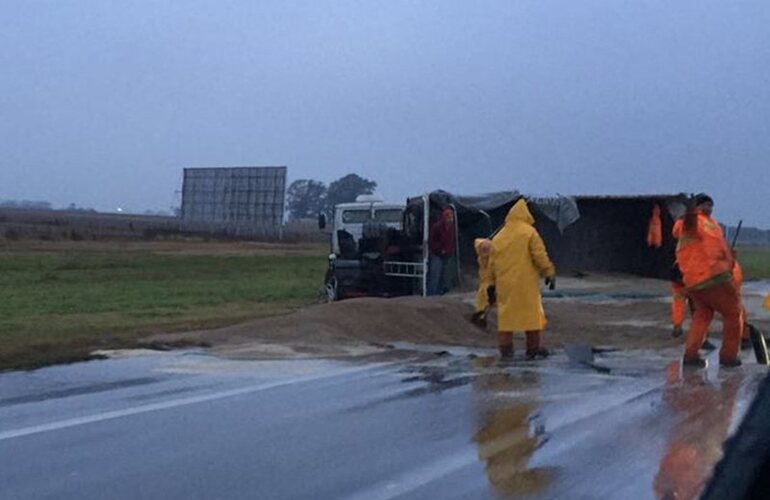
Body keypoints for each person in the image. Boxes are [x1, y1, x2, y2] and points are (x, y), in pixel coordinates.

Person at [674, 193, 742, 368]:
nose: (709, 208)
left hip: (695, 282)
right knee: (733, 313)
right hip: (713, 277)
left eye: (710, 205)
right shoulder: (693, 223)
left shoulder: (711, 225)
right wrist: (690, 210)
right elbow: (690, 224)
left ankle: (691, 355)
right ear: (697, 206)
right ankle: (728, 356)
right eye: (705, 204)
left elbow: (718, 248)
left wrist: (730, 259)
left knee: (702, 315)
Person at [486, 199, 555, 360]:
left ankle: (506, 351)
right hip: (526, 285)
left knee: (506, 320)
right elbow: (539, 255)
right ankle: (533, 349)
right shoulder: (529, 232)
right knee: (531, 318)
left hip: (505, 285)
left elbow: (491, 264)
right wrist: (549, 272)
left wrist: (490, 285)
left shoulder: (499, 237)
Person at [427, 208, 456, 296]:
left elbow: (451, 240)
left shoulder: (452, 227)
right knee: (435, 275)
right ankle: (431, 295)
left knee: (444, 276)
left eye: (451, 217)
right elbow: (431, 241)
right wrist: (440, 249)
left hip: (447, 254)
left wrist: (450, 249)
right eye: (449, 217)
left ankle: (440, 294)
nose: (451, 219)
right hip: (437, 254)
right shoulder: (436, 227)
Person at [471, 238, 493, 327]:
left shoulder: (490, 259)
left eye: (486, 250)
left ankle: (481, 315)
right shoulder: (482, 259)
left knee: (485, 300)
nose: (485, 252)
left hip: (490, 283)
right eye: (483, 250)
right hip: (486, 283)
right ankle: (481, 316)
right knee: (483, 300)